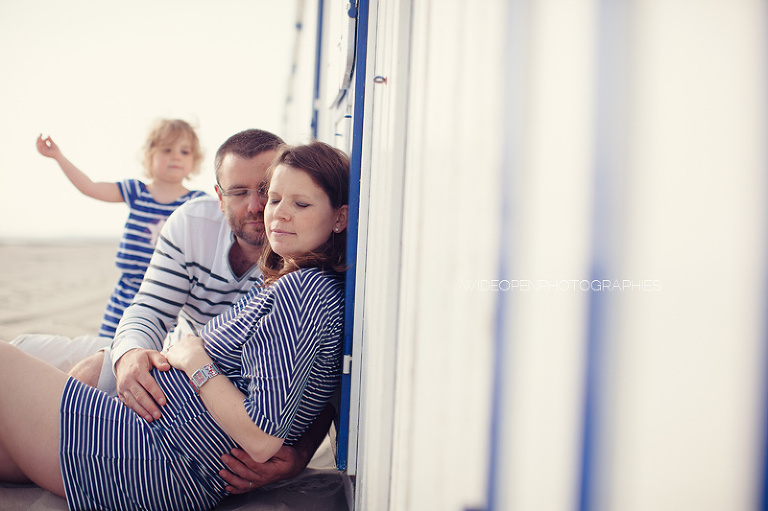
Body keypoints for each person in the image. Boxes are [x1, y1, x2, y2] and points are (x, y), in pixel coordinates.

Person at [0, 141, 350, 511]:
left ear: (340, 217)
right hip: (162, 448)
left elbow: (263, 438)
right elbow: (149, 308)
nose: (275, 213)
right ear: (219, 196)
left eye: (301, 204)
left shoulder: (304, 290)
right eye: (276, 198)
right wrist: (135, 354)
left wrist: (194, 357)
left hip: (156, 458)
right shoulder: (301, 279)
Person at [36, 119, 208, 337]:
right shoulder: (136, 192)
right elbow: (90, 188)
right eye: (167, 149)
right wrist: (59, 157)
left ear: (194, 160)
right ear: (150, 155)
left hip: (170, 293)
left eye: (185, 151)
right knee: (109, 347)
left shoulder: (197, 203)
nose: (176, 156)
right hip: (128, 292)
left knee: (162, 353)